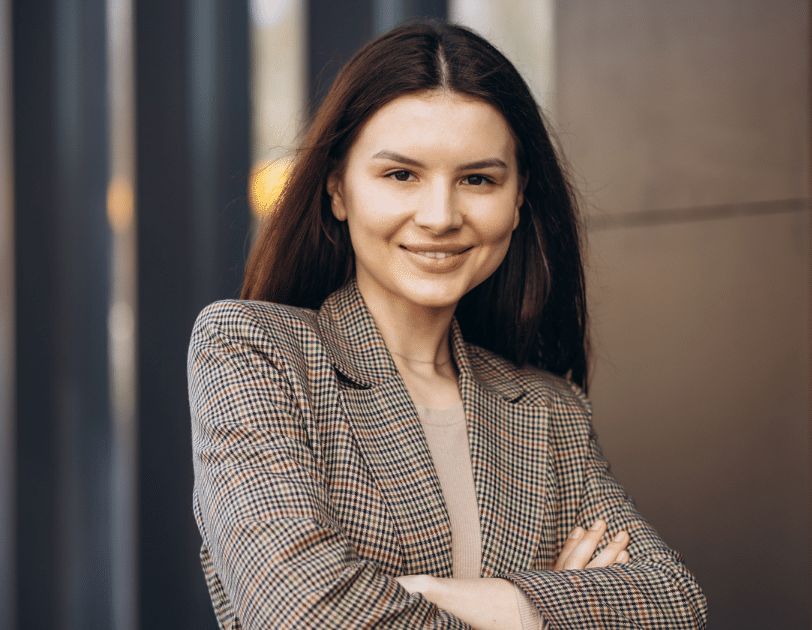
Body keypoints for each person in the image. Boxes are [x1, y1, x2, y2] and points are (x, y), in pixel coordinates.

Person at [188, 20, 707, 630]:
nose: (440, 217)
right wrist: (549, 607)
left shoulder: (550, 410)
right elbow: (304, 612)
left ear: (518, 199)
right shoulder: (253, 350)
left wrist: (477, 598)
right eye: (401, 175)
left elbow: (674, 602)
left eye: (477, 180)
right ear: (338, 188)